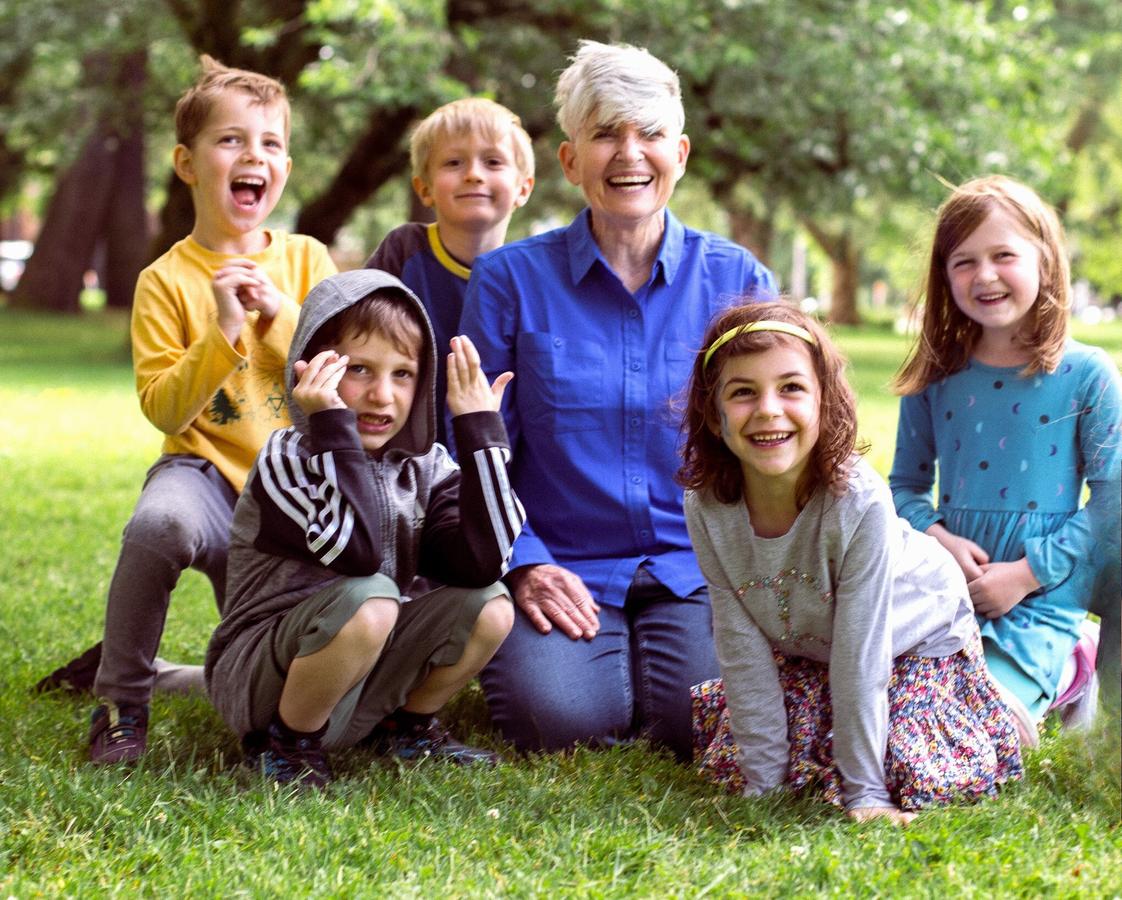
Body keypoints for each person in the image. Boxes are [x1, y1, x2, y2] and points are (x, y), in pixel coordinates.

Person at [460, 40, 776, 761]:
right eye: (604, 133)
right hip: (560, 561)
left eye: (650, 133)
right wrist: (522, 562)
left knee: (699, 723)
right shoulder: (507, 282)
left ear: (682, 152)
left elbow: (781, 438)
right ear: (570, 162)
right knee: (560, 722)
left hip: (697, 565)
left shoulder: (739, 279)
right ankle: (587, 667)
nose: (629, 154)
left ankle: (654, 673)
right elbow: (473, 449)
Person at [40, 55, 337, 764]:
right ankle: (120, 700)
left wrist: (277, 315)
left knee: (273, 685)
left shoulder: (306, 261)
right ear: (186, 162)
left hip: (289, 490)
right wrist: (223, 333)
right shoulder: (164, 280)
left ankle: (155, 673)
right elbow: (166, 409)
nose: (251, 156)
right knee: (158, 523)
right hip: (202, 476)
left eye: (268, 144)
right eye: (230, 140)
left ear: (285, 170)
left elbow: (343, 370)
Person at [681, 302, 1022, 824]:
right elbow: (740, 645)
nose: (768, 409)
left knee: (907, 764)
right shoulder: (706, 506)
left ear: (825, 403)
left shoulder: (856, 501)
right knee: (765, 758)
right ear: (714, 413)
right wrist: (763, 785)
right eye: (743, 392)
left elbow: (862, 655)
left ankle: (993, 704)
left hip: (910, 637)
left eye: (791, 388)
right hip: (816, 647)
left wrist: (864, 793)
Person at [205, 269, 523, 787]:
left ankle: (407, 728)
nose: (381, 395)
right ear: (314, 369)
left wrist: (481, 434)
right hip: (262, 682)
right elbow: (357, 554)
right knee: (371, 597)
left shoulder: (426, 466)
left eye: (403, 375)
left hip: (365, 671)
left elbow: (483, 561)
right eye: (360, 370)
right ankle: (286, 746)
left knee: (489, 602)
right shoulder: (287, 458)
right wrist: (332, 426)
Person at [890, 175, 1122, 742]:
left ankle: (1073, 661)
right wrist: (940, 540)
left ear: (1044, 259)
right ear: (945, 276)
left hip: (1044, 592)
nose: (985, 275)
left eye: (1003, 255)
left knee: (982, 735)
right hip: (950, 594)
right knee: (906, 721)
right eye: (964, 261)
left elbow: (1114, 499)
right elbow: (902, 489)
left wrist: (1025, 574)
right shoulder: (935, 378)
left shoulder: (1087, 375)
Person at [365, 98, 535, 448]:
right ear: (424, 188)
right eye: (454, 162)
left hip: (491, 454)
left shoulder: (530, 275)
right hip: (401, 451)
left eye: (493, 162)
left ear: (523, 188)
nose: (473, 174)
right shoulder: (403, 252)